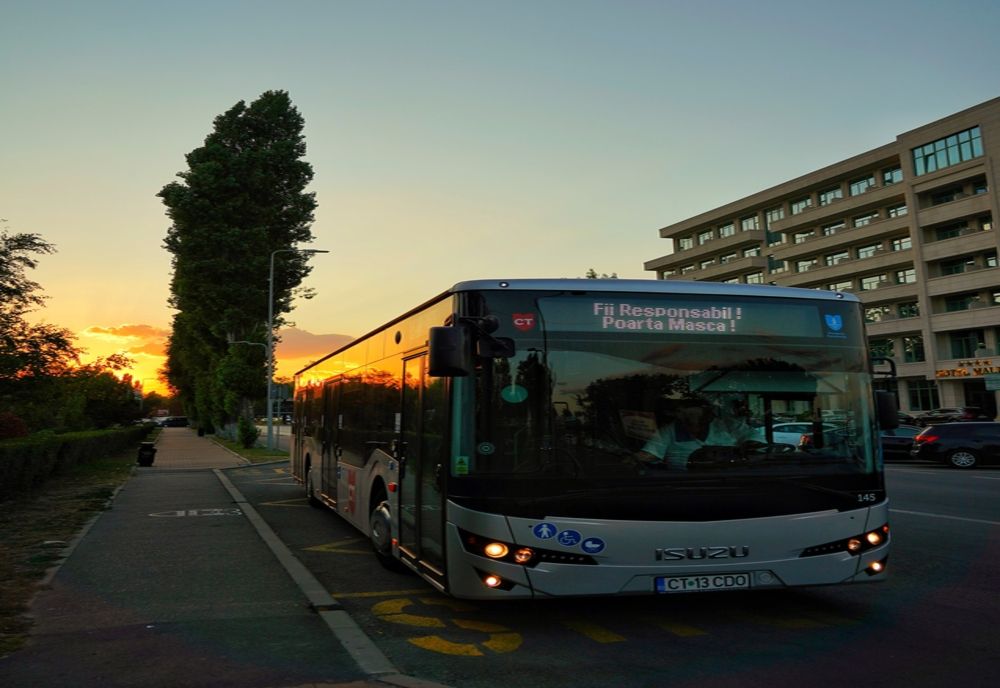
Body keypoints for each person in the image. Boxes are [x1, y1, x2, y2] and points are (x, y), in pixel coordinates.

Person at [634, 401, 754, 471]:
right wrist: (629, 459)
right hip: (684, 483)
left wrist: (747, 448)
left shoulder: (729, 425)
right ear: (680, 417)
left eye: (700, 420)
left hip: (733, 480)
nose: (694, 426)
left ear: (709, 418)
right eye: (688, 419)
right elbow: (650, 454)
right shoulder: (670, 430)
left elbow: (756, 445)